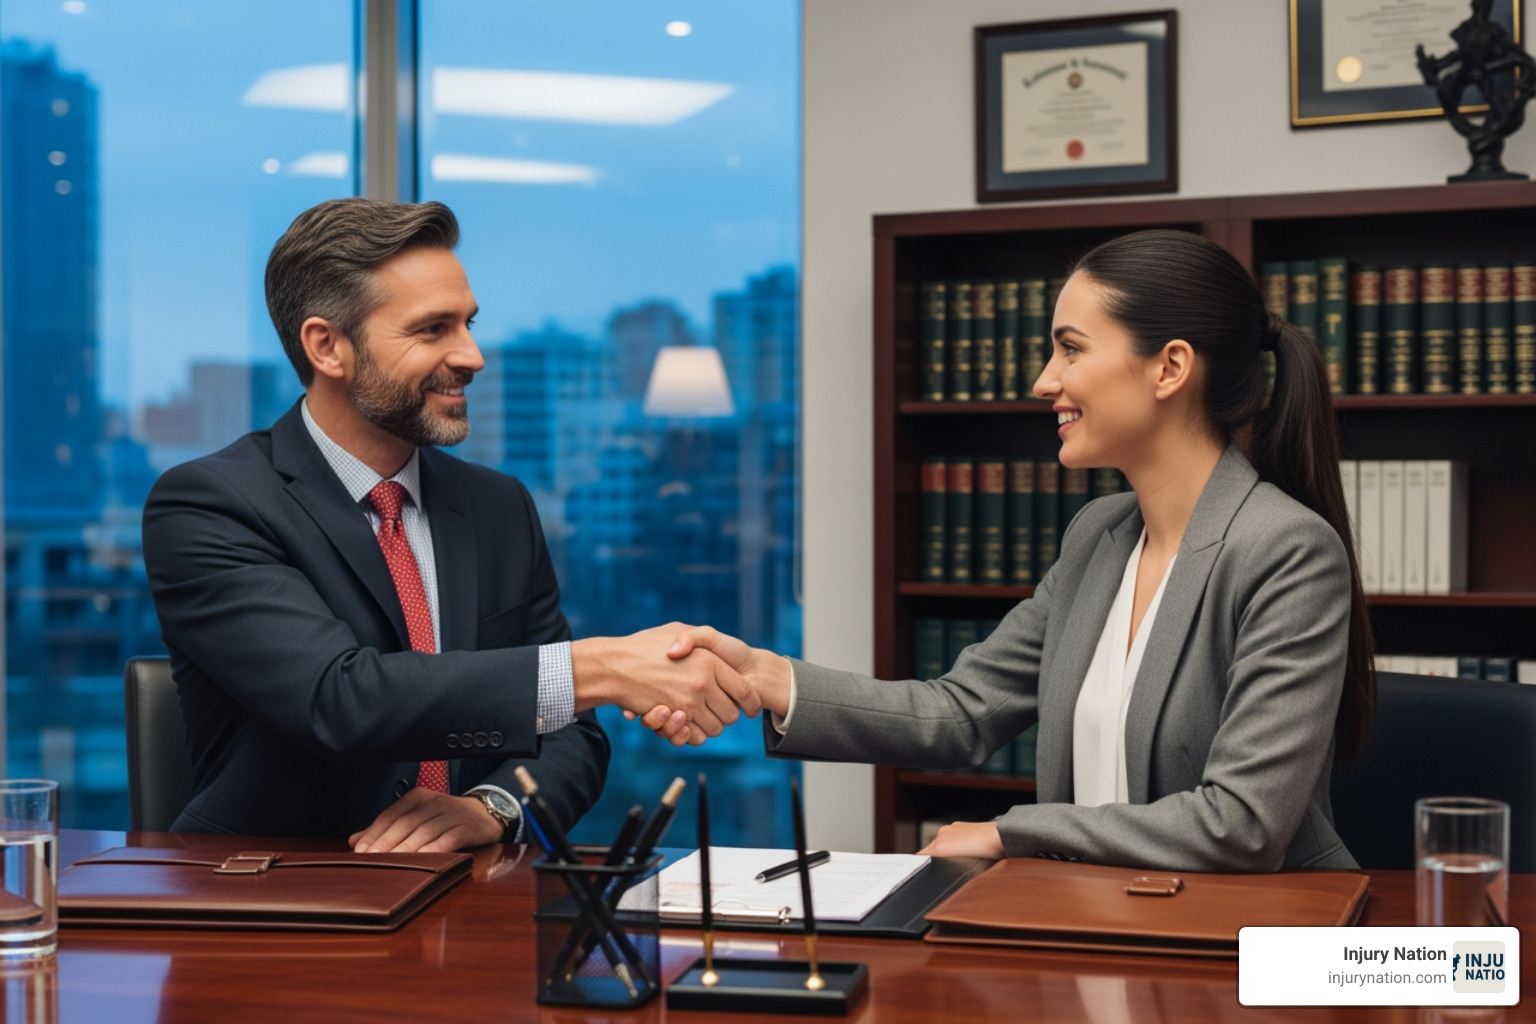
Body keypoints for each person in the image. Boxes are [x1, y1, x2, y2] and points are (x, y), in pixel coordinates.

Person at [649, 229, 1375, 873]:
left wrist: (1009, 835)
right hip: (1096, 925)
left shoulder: (1285, 552)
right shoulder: (1099, 535)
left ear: (1169, 368)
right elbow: (960, 712)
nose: (1044, 381)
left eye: (1070, 349)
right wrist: (769, 677)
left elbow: (1242, 825)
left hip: (1251, 948)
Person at [142, 198, 757, 853]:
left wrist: (492, 807)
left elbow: (572, 734)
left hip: (466, 903)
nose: (473, 356)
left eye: (467, 324)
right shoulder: (210, 503)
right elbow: (341, 699)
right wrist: (602, 666)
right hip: (276, 907)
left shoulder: (498, 507)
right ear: (327, 347)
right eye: (433, 329)